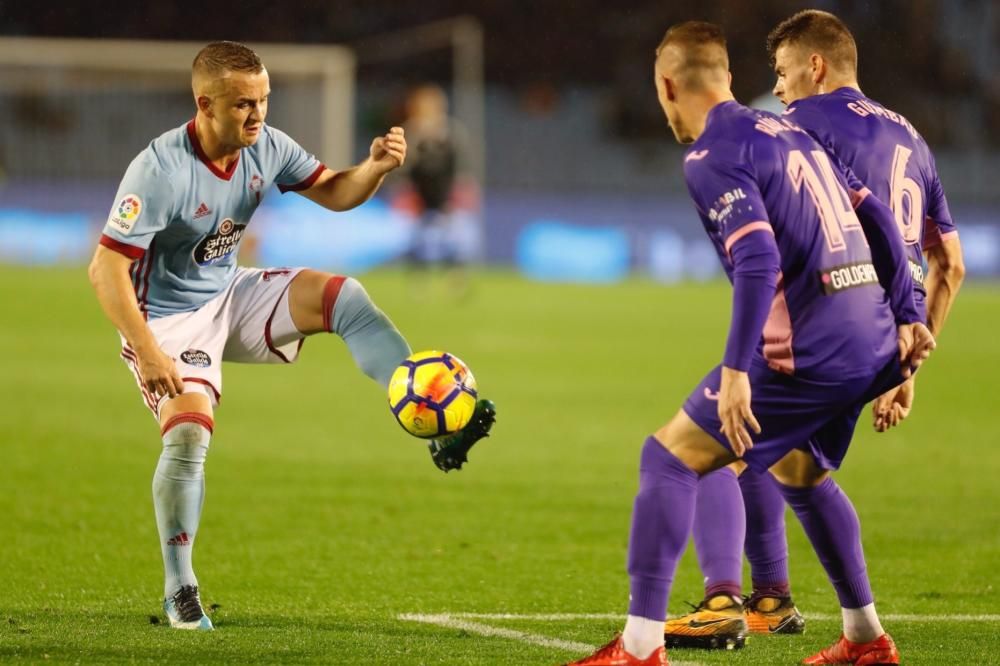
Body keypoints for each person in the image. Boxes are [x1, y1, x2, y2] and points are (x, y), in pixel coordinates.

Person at [87, 41, 495, 631]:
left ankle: (430, 423)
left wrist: (375, 168)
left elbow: (335, 191)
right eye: (243, 105)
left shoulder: (266, 146)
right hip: (166, 321)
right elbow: (105, 268)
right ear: (205, 104)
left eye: (264, 101)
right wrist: (148, 350)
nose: (257, 115)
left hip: (228, 292)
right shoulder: (160, 169)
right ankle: (180, 587)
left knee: (343, 298)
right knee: (188, 436)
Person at [565, 21, 933, 666]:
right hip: (871, 337)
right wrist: (907, 312)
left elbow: (758, 259)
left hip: (811, 350)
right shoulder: (790, 129)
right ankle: (865, 638)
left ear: (667, 85)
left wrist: (738, 370)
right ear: (730, 78)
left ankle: (642, 648)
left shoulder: (711, 155)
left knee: (671, 459)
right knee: (801, 470)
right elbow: (876, 213)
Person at [664, 9, 965, 652]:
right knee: (797, 469)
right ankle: (851, 630)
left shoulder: (792, 129)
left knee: (717, 440)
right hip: (888, 342)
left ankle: (733, 601)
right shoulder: (914, 139)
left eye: (782, 73)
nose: (779, 89)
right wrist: (910, 359)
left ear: (816, 65)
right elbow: (952, 264)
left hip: (829, 324)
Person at [400, 84, 474, 293]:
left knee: (453, 239)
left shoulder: (450, 133)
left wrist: (462, 191)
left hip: (446, 196)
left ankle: (456, 279)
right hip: (420, 197)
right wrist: (407, 194)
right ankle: (418, 280)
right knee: (419, 241)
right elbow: (405, 168)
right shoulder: (411, 135)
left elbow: (460, 166)